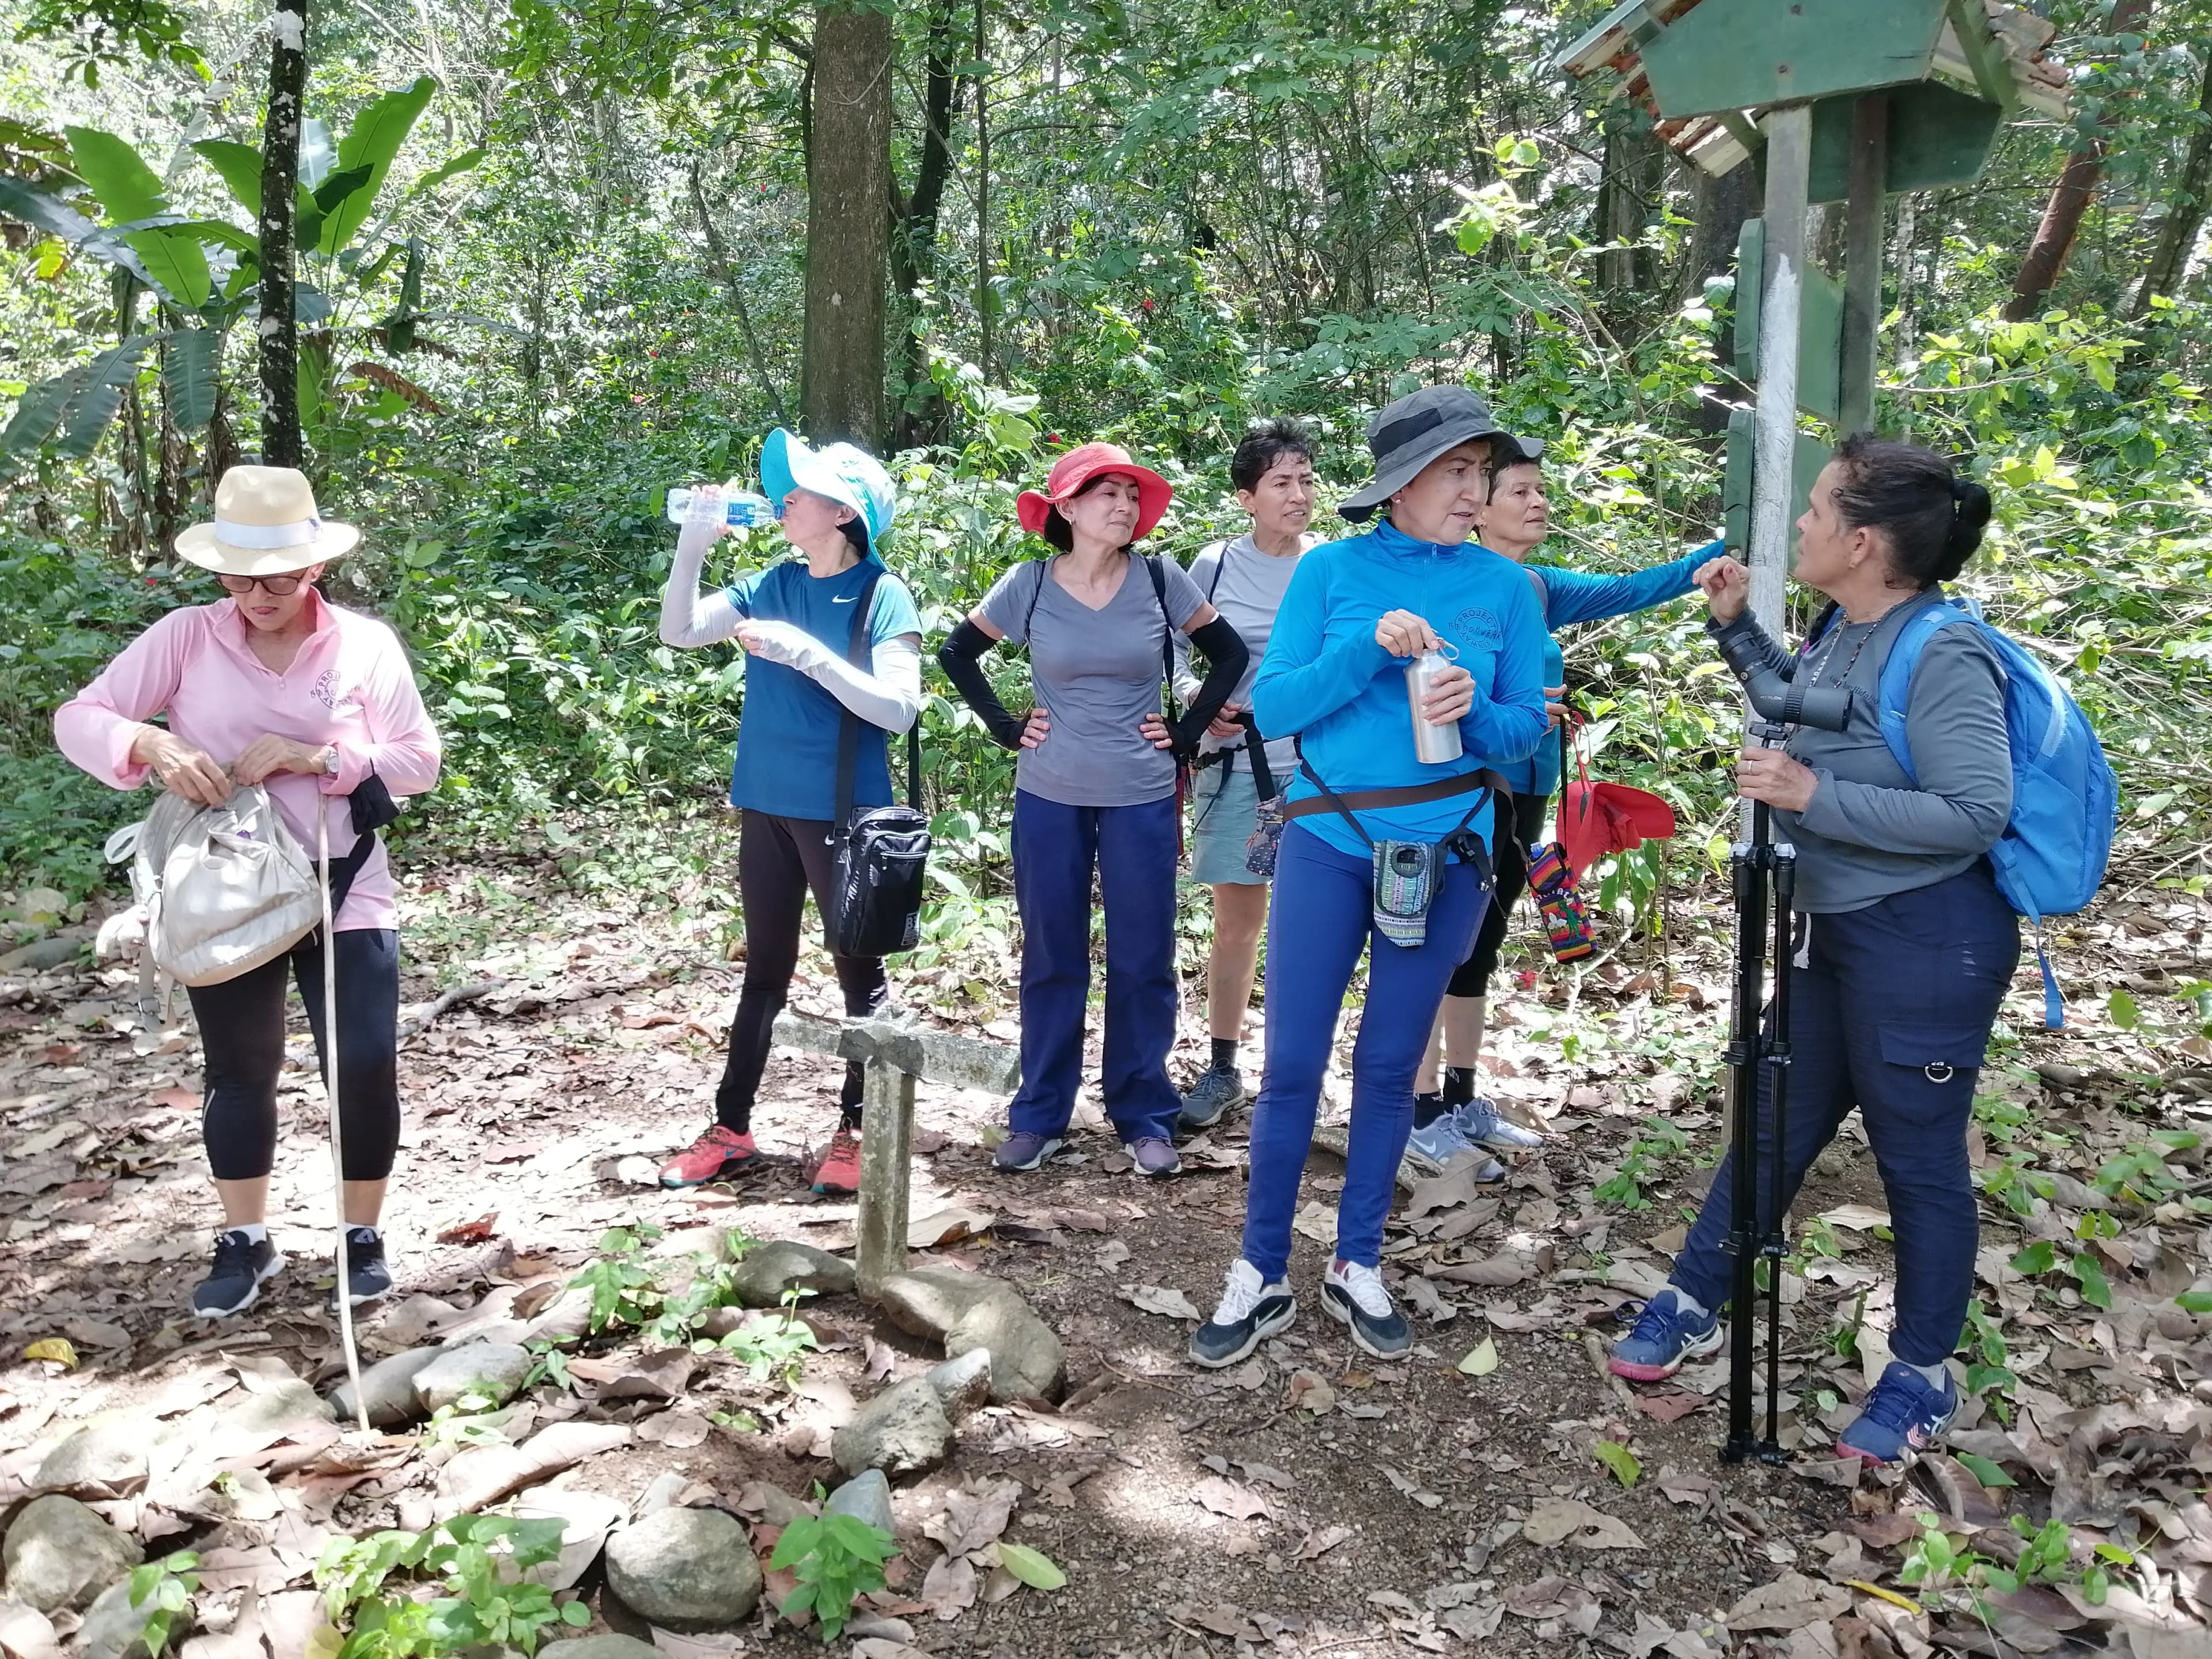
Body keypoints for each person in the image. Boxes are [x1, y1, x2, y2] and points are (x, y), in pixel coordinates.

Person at [1607, 435, 2013, 1465]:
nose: (1801, 523)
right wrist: (1738, 631)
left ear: (1864, 540)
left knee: (1918, 1162)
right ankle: (1697, 1297)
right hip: (1835, 932)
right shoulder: (1846, 627)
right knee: (1776, 1120)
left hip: (1928, 942)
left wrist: (1816, 797)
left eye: (1820, 507)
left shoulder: (1945, 648)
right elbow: (1799, 703)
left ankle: (1921, 1375)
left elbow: (1976, 811)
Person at [1190, 385, 1549, 1368]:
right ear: (1402, 484)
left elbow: (1527, 727)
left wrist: (1476, 710)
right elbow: (1279, 705)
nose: (1475, 491)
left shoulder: (1508, 590)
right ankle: (1260, 1271)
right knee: (1294, 1063)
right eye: (1457, 472)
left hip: (1454, 853)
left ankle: (1358, 1260)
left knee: (1392, 1065)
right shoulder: (1333, 573)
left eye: (1482, 472)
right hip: (1329, 842)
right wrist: (1364, 647)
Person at [54, 465, 442, 1317]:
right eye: (236, 574)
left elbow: (419, 760)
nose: (254, 593)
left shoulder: (362, 643)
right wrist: (149, 747)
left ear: (313, 568)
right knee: (240, 1068)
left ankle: (361, 1238)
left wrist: (319, 758)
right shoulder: (189, 635)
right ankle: (245, 1240)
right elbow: (80, 717)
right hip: (227, 889)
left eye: (274, 575)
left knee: (366, 1063)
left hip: (344, 882)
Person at [938, 442, 1248, 1178]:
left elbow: (1228, 655)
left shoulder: (1159, 577)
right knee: (1054, 956)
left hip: (1141, 794)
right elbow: (957, 654)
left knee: (1144, 958)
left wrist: (1184, 732)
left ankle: (1144, 1111)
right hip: (1050, 792)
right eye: (1105, 493)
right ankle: (1041, 1113)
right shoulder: (1030, 584)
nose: (1123, 505)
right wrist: (1007, 727)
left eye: (1131, 495)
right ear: (1067, 510)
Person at [1410, 437, 1719, 1173]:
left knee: (1480, 947)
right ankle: (1415, 1109)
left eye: (1540, 490)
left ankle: (1458, 1096)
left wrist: (1734, 537)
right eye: (1519, 491)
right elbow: (1416, 692)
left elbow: (1636, 588)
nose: (1538, 502)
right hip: (1460, 794)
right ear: (1475, 509)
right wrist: (1507, 703)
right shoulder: (1441, 588)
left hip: (1528, 789)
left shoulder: (1540, 589)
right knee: (1434, 943)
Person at [654, 430, 921, 1198]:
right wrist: (693, 547)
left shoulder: (882, 593)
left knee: (858, 977)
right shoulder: (772, 580)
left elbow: (898, 709)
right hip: (765, 803)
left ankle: (858, 1135)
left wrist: (804, 652)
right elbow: (679, 630)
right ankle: (732, 1128)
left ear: (842, 512)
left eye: (798, 493)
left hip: (843, 811)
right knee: (764, 969)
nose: (784, 501)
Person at [1172, 419, 1323, 1129]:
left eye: (1307, 480)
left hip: (1322, 770)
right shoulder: (1214, 567)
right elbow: (1167, 648)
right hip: (1236, 765)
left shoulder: (1329, 565)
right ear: (1247, 497)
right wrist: (1195, 707)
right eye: (1282, 482)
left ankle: (1297, 1074)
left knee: (1315, 924)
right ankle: (1224, 1067)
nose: (1299, 495)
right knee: (1238, 923)